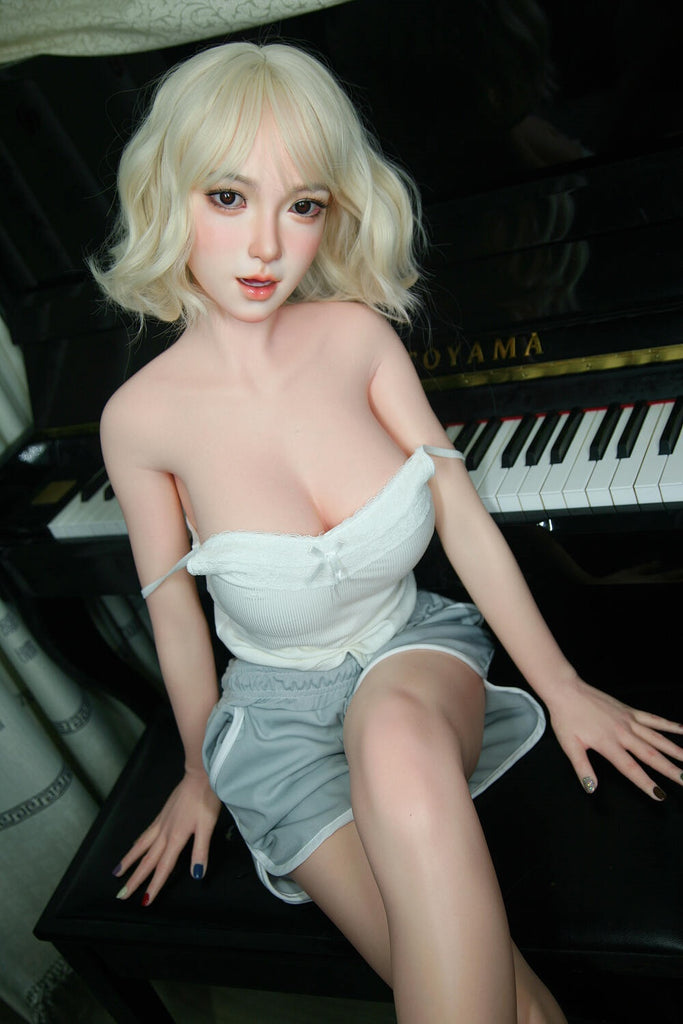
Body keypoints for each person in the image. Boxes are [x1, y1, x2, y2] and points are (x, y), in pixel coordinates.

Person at [92, 41, 682, 1024]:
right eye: (228, 197)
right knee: (508, 1004)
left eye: (303, 205)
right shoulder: (138, 420)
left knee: (399, 743)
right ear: (166, 193)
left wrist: (563, 685)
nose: (266, 247)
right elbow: (175, 617)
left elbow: (461, 514)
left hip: (410, 654)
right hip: (275, 718)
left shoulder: (359, 337)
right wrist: (199, 773)